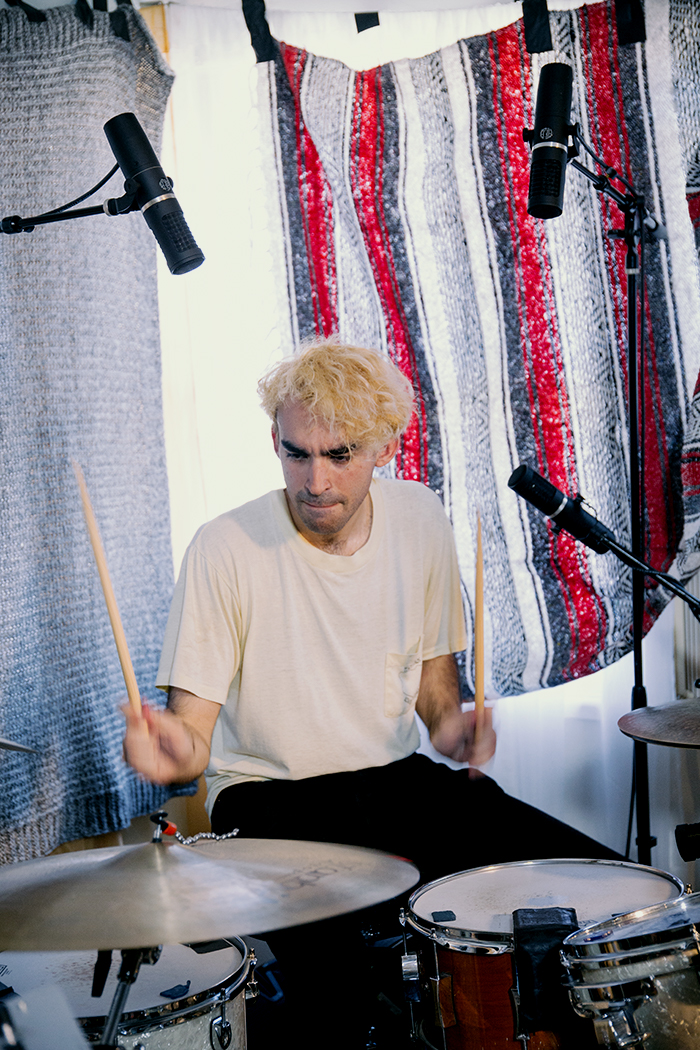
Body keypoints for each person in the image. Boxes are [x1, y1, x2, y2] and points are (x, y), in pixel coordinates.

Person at [123, 338, 621, 1046]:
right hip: (270, 798)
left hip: (394, 780)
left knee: (599, 891)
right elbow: (192, 740)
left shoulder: (419, 517)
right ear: (275, 441)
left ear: (387, 446)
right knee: (346, 996)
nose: (315, 480)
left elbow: (435, 690)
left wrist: (452, 729)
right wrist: (171, 752)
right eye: (297, 453)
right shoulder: (224, 546)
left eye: (340, 455)